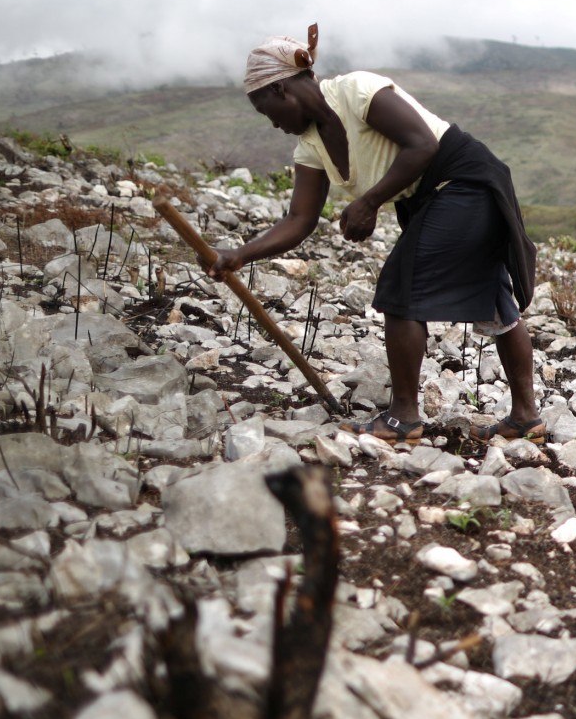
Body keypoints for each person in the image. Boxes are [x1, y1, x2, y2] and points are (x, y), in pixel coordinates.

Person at [209, 24, 543, 444]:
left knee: (401, 291)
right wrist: (241, 254)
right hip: (435, 198)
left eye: (267, 112)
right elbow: (299, 219)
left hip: (464, 180)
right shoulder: (309, 145)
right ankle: (525, 418)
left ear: (281, 91)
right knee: (494, 298)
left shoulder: (356, 90)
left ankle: (404, 419)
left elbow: (423, 145)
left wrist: (369, 202)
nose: (273, 125)